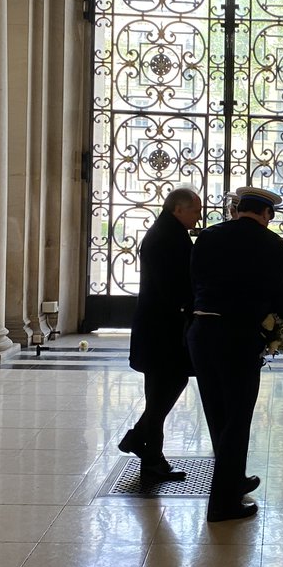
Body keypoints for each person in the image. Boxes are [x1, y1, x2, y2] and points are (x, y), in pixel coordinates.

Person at [188, 185, 283, 521]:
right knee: (237, 419)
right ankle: (223, 504)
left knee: (218, 414)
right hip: (238, 337)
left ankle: (232, 478)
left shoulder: (207, 237)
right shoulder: (274, 245)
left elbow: (191, 283)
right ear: (267, 214)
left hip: (202, 333)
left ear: (238, 208)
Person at [119, 187, 202, 480]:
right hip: (162, 328)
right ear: (178, 209)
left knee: (159, 391)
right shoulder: (167, 238)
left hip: (159, 326)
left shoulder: (167, 232)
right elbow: (175, 286)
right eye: (195, 211)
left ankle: (150, 458)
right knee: (167, 384)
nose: (198, 216)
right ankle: (144, 447)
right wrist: (191, 308)